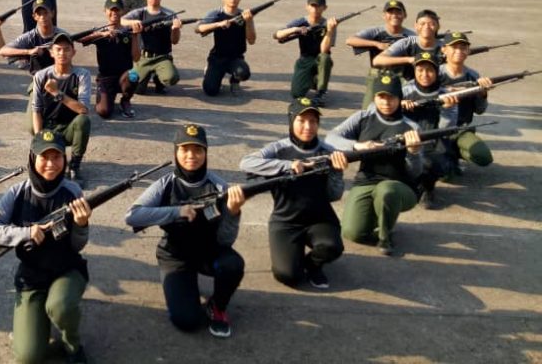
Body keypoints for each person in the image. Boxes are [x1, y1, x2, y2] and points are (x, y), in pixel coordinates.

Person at [0, 130, 92, 364]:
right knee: (28, 356)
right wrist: (26, 233)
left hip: (66, 270)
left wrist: (81, 225)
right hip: (32, 275)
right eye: (44, 157)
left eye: (57, 156)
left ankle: (73, 343)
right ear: (32, 158)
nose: (51, 164)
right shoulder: (18, 192)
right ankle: (36, 321)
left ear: (65, 158)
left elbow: (78, 246)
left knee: (60, 305)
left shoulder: (73, 192)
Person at [125, 124, 246, 338]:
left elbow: (226, 241)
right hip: (175, 257)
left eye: (198, 150)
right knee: (187, 321)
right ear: (175, 152)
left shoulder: (219, 187)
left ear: (206, 153)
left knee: (232, 264)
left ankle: (217, 307)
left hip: (208, 252)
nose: (192, 156)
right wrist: (176, 211)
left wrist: (233, 213)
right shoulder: (165, 184)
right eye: (185, 149)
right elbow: (133, 216)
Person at [239, 98, 348, 289]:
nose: (308, 126)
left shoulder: (328, 152)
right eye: (302, 121)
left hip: (320, 219)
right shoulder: (278, 149)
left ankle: (313, 265)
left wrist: (337, 172)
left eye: (313, 121)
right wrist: (288, 165)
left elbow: (334, 195)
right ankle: (297, 265)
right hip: (285, 222)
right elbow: (246, 162)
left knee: (332, 246)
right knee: (288, 275)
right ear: (291, 121)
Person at [326, 73, 423, 256]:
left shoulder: (411, 127)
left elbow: (415, 173)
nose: (386, 102)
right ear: (374, 97)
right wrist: (357, 146)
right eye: (381, 96)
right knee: (352, 233)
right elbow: (331, 138)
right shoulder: (362, 118)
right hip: (367, 180)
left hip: (400, 185)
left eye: (392, 97)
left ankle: (385, 236)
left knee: (386, 191)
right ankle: (380, 217)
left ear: (400, 98)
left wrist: (414, 153)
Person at [28, 32, 92, 181]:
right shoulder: (41, 76)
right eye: (58, 49)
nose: (62, 53)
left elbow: (83, 109)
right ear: (51, 52)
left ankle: (75, 165)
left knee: (83, 120)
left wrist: (57, 92)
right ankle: (46, 150)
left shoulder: (82, 75)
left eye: (67, 49)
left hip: (69, 127)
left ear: (73, 52)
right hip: (48, 126)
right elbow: (36, 109)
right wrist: (40, 138)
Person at [400, 51, 459, 208]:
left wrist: (447, 109)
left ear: (437, 72)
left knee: (434, 161)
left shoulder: (446, 94)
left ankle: (427, 188)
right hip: (405, 138)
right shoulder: (404, 91)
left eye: (430, 70)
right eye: (420, 70)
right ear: (414, 71)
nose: (425, 74)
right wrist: (400, 108)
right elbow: (380, 113)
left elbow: (446, 130)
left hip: (433, 141)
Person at [437, 31, 494, 171]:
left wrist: (483, 93)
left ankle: (454, 154)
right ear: (444, 49)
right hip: (435, 130)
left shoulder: (473, 76)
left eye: (463, 47)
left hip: (460, 129)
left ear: (468, 51)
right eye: (454, 47)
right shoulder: (434, 74)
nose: (459, 51)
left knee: (483, 156)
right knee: (443, 173)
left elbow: (480, 110)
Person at [346, 0, 415, 109]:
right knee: (368, 109)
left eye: (398, 12)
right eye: (390, 12)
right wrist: (376, 44)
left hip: (402, 75)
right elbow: (350, 40)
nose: (394, 15)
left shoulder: (411, 36)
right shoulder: (376, 32)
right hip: (378, 73)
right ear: (384, 15)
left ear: (404, 15)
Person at [273, 0, 338, 106]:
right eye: (312, 6)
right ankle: (312, 81)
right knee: (296, 94)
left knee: (325, 58)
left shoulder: (329, 25)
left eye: (318, 6)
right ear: (307, 6)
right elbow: (277, 35)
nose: (315, 9)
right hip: (305, 59)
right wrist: (295, 30)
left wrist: (330, 31)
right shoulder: (301, 22)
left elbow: (324, 50)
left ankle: (321, 93)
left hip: (320, 60)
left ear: (325, 8)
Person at [81, 0, 140, 119]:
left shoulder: (128, 32)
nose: (114, 13)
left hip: (123, 77)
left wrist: (135, 36)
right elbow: (80, 39)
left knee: (134, 76)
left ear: (122, 11)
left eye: (117, 10)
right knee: (104, 112)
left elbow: (136, 58)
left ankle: (125, 100)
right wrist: (102, 34)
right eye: (111, 10)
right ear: (105, 11)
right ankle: (106, 96)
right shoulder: (101, 32)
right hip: (106, 78)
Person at [196, 0, 256, 97]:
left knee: (243, 73)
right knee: (210, 90)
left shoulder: (244, 15)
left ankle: (235, 81)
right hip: (217, 57)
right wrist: (218, 24)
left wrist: (249, 21)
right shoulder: (216, 14)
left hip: (236, 58)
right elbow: (198, 28)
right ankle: (211, 70)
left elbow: (252, 40)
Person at [122, 0, 181, 95]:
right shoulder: (139, 13)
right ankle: (145, 77)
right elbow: (121, 21)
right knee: (136, 88)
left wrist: (176, 29)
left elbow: (175, 41)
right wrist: (133, 23)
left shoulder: (169, 14)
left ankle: (159, 80)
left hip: (162, 56)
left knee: (171, 78)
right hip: (143, 57)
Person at [0, 0, 66, 80]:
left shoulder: (61, 35)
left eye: (45, 13)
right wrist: (29, 52)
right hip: (38, 80)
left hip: (60, 78)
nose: (43, 17)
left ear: (52, 13)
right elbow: (3, 51)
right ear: (34, 17)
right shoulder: (30, 37)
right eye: (39, 14)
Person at [371, 8, 443, 80]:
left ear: (438, 26)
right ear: (416, 26)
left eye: (431, 24)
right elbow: (377, 60)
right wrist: (409, 59)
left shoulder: (444, 47)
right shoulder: (407, 43)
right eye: (422, 23)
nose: (427, 27)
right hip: (408, 84)